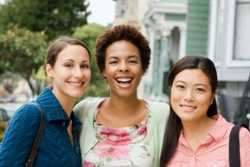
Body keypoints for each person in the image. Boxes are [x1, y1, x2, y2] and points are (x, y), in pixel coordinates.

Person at [74, 25, 169, 167]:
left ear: (143, 68)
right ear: (103, 70)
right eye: (114, 61)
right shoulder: (83, 111)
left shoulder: (163, 115)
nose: (123, 67)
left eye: (132, 61)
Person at [0, 36, 91, 167]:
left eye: (84, 66)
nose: (79, 74)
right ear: (50, 70)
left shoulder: (76, 123)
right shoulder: (30, 114)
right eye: (68, 65)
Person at [160, 56, 250, 167]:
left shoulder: (240, 139)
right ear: (170, 90)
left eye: (199, 89)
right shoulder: (161, 139)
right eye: (181, 87)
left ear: (212, 97)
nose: (188, 97)